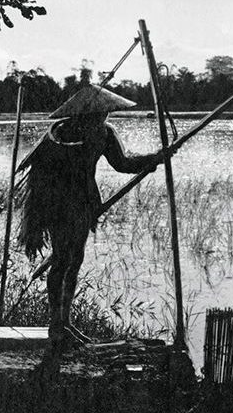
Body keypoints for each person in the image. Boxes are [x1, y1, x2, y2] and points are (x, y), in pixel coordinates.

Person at [17, 85, 165, 350]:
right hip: (64, 204)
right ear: (90, 112)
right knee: (64, 260)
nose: (106, 115)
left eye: (107, 112)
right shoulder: (63, 134)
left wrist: (153, 159)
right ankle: (56, 325)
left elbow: (123, 163)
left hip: (80, 204)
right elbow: (41, 170)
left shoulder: (96, 133)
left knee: (72, 260)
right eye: (102, 111)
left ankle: (64, 322)